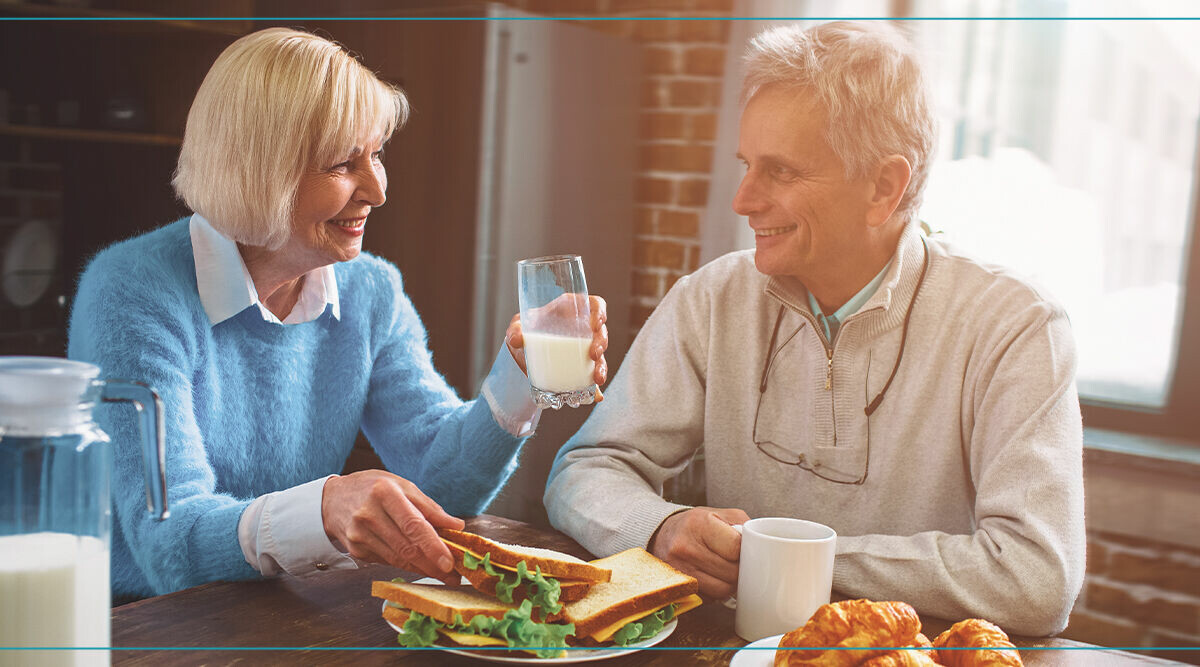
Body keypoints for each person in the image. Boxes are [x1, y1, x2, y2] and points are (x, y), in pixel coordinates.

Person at [544, 21, 1084, 636]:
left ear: (884, 187)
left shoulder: (1017, 324)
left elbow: (1037, 577)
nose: (742, 199)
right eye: (747, 164)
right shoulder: (714, 298)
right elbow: (583, 471)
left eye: (780, 171)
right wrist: (659, 526)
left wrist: (788, 558)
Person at [67, 27, 609, 601]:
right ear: (259, 169)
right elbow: (170, 545)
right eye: (342, 165)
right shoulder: (130, 292)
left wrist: (520, 379)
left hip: (282, 613)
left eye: (376, 155)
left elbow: (440, 486)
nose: (376, 190)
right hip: (137, 626)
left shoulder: (372, 289)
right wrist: (324, 510)